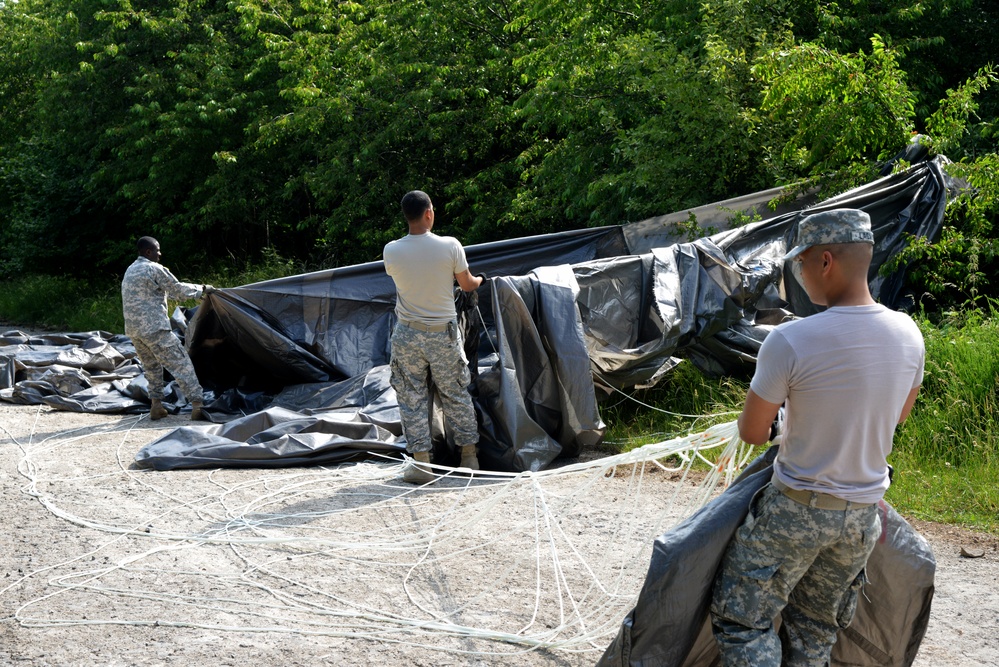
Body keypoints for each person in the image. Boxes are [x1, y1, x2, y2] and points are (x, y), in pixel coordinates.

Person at [709, 209, 925, 666]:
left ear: (825, 261)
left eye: (800, 266)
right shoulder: (909, 334)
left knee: (743, 623)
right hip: (861, 520)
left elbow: (751, 432)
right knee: (814, 631)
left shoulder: (790, 340)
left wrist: (787, 419)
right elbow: (897, 417)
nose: (799, 277)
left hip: (795, 510)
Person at [383, 190, 484, 484]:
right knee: (455, 393)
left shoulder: (392, 250)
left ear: (407, 215)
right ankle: (469, 458)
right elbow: (466, 285)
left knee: (411, 397)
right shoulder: (450, 246)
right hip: (443, 334)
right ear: (429, 213)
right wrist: (480, 279)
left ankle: (422, 464)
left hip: (407, 335)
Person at [121, 236, 214, 421]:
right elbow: (177, 290)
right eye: (157, 250)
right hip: (154, 328)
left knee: (151, 367)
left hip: (134, 331)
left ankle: (156, 406)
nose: (160, 253)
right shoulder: (154, 269)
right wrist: (203, 289)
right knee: (181, 363)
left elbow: (162, 292)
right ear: (148, 252)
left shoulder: (131, 270)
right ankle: (197, 405)